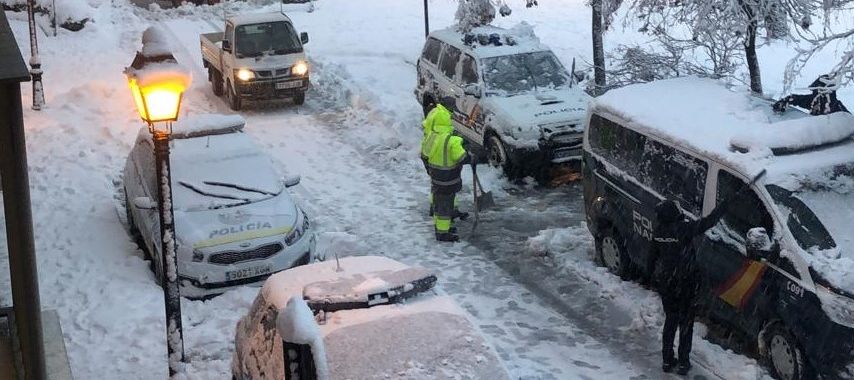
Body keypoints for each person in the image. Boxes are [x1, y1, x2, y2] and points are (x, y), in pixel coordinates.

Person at [649, 190, 748, 375]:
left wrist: (656, 281)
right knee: (686, 323)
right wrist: (724, 205)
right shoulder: (684, 229)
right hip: (685, 284)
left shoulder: (658, 232)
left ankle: (667, 360)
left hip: (668, 285)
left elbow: (651, 259)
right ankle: (684, 362)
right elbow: (709, 221)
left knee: (670, 321)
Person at [425, 109, 471, 242]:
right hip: (450, 179)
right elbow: (461, 157)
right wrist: (470, 157)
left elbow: (425, 154)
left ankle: (443, 227)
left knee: (440, 203)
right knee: (445, 206)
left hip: (437, 178)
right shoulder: (453, 140)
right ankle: (442, 233)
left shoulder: (433, 137)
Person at [773, 74, 849, 116]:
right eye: (815, 92)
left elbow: (849, 122)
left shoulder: (837, 107)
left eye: (818, 91)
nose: (816, 95)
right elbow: (796, 99)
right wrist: (785, 101)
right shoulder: (813, 100)